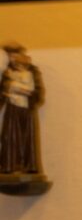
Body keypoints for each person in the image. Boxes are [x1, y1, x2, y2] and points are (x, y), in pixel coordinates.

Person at [0, 43, 44, 174]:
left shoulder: (32, 71)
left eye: (15, 55)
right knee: (10, 136)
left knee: (27, 137)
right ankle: (9, 165)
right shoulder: (6, 72)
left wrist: (27, 92)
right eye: (10, 56)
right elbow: (3, 90)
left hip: (27, 108)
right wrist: (8, 88)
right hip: (12, 108)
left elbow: (38, 92)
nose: (13, 59)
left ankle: (29, 166)